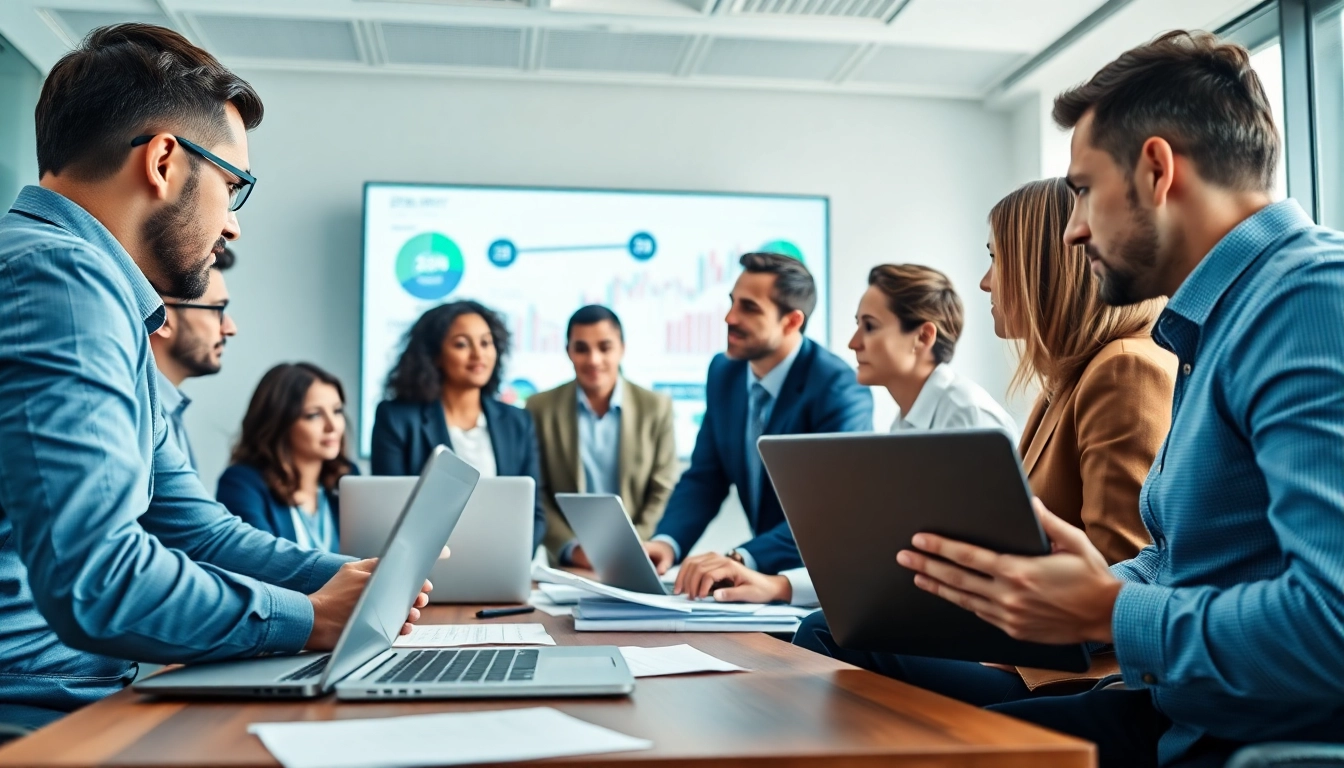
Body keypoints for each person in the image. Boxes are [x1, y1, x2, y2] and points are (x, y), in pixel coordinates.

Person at [835, 31, 1344, 768]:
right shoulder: (1211, 326)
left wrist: (1107, 608)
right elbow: (1186, 564)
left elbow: (1332, 624)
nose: (1073, 230)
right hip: (1180, 716)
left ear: (1157, 169)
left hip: (1244, 742)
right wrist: (1087, 588)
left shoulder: (1305, 300)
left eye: (1081, 191)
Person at [0, 24, 427, 730]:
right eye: (233, 186)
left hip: (76, 695)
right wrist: (309, 619)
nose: (233, 225)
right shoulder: (61, 278)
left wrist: (344, 578)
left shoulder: (94, 293)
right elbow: (97, 584)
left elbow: (195, 530)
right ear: (164, 160)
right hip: (35, 714)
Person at [794, 178, 1177, 691]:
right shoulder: (1066, 381)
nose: (983, 282)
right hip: (1022, 649)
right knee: (837, 626)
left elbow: (1118, 568)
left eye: (996, 259)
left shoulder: (1124, 368)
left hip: (1072, 674)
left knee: (828, 633)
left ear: (1042, 265)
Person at [678, 263, 1016, 603]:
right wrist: (780, 586)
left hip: (968, 623)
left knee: (815, 634)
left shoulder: (968, 418)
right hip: (923, 606)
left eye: (869, 327)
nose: (853, 343)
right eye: (857, 325)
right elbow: (880, 551)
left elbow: (985, 564)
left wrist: (775, 583)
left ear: (923, 337)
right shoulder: (905, 425)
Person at [642, 252, 873, 586]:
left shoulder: (838, 388)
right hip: (755, 587)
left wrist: (741, 558)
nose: (729, 317)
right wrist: (667, 542)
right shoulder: (724, 372)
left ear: (792, 321)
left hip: (819, 584)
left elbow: (832, 509)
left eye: (749, 308)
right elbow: (706, 477)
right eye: (732, 302)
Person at [371, 300, 546, 551]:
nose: (478, 354)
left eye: (486, 342)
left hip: (501, 560)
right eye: (462, 344)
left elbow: (534, 514)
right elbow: (390, 512)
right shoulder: (396, 418)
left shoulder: (517, 422)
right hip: (428, 569)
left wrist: (511, 559)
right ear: (435, 356)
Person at [526, 305, 677, 567]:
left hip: (639, 557)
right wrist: (571, 548)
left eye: (605, 347)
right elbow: (537, 493)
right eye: (582, 348)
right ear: (568, 351)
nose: (594, 360)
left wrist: (631, 547)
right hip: (570, 565)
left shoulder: (656, 407)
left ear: (622, 348)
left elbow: (662, 488)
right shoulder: (540, 408)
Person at [217, 363, 358, 552]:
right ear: (279, 422)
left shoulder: (348, 478)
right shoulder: (241, 484)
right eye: (314, 415)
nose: (332, 427)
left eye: (337, 411)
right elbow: (259, 562)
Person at [148, 245, 237, 470]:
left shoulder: (169, 411)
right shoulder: (144, 417)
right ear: (164, 318)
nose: (230, 328)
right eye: (218, 310)